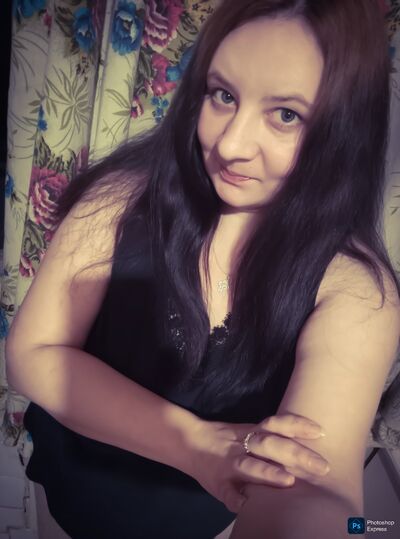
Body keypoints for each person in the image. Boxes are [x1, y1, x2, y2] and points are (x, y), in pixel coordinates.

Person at [5, 0, 400, 538]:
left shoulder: (355, 292)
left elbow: (316, 487)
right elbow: (30, 356)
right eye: (224, 95)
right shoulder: (121, 200)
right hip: (67, 492)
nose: (230, 144)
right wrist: (195, 445)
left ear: (346, 130)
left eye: (286, 114)